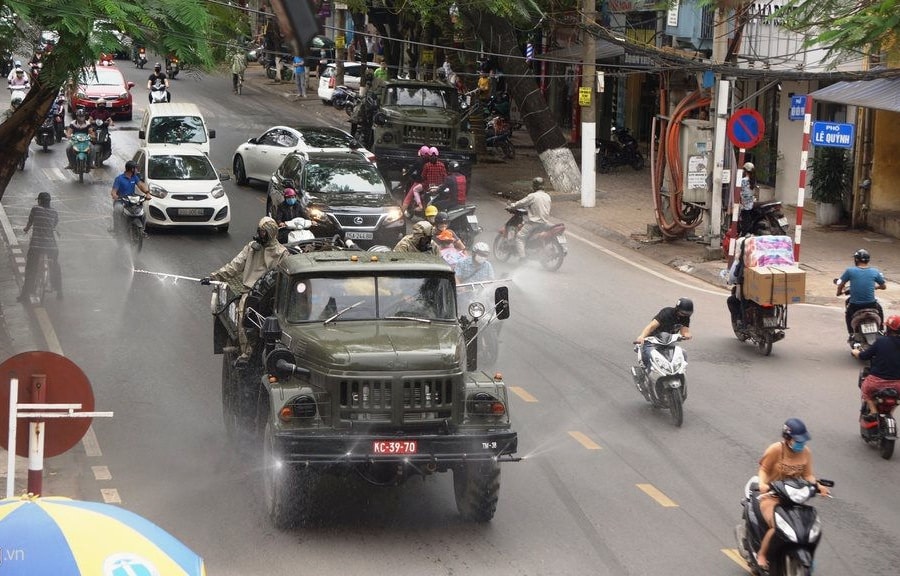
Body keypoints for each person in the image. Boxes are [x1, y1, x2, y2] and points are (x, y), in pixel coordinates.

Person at [205, 217, 287, 366]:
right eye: (259, 231)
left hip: (273, 296)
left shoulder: (282, 253)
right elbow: (234, 266)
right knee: (244, 316)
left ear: (270, 233)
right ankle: (247, 353)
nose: (259, 234)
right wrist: (213, 276)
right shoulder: (251, 248)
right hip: (251, 293)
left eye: (263, 232)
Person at [754, 418, 829, 570]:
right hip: (771, 496)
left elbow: (808, 475)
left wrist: (817, 485)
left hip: (793, 497)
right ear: (787, 438)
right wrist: (762, 484)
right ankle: (762, 554)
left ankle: (806, 553)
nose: (801, 444)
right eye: (798, 440)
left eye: (803, 440)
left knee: (808, 527)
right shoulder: (775, 450)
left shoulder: (806, 452)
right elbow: (763, 469)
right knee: (777, 527)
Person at [852, 315, 900, 421]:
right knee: (898, 399)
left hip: (877, 382)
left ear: (888, 328)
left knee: (866, 390)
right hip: (898, 385)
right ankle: (890, 413)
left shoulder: (881, 341)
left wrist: (856, 353)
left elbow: (864, 356)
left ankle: (873, 412)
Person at [18, 192, 61, 302]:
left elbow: (30, 222)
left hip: (36, 245)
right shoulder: (54, 212)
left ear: (40, 201)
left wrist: (26, 229)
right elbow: (54, 225)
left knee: (30, 269)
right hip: (51, 246)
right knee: (55, 266)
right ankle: (59, 291)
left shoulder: (35, 209)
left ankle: (25, 295)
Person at [836, 248, 886, 337]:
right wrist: (876, 287)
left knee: (848, 314)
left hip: (855, 305)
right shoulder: (875, 271)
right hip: (871, 304)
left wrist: (839, 292)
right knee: (880, 309)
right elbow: (883, 286)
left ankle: (851, 333)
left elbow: (841, 284)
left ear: (856, 259)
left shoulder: (850, 271)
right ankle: (881, 329)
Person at [633, 298, 693, 368]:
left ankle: (680, 372)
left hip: (669, 341)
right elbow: (651, 326)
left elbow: (684, 331)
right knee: (650, 355)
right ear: (677, 309)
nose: (685, 315)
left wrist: (687, 335)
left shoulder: (685, 318)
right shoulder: (666, 312)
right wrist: (641, 336)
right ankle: (647, 371)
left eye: (687, 314)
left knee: (683, 353)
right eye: (683, 313)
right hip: (653, 340)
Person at [508, 177, 552, 259]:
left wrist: (512, 206)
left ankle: (522, 258)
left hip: (534, 223)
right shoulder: (547, 196)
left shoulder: (532, 196)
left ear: (534, 186)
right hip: (544, 222)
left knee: (519, 237)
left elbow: (521, 203)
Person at [109, 160, 151, 232]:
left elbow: (140, 186)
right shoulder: (119, 179)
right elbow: (113, 191)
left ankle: (142, 230)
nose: (137, 170)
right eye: (136, 168)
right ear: (132, 169)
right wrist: (115, 195)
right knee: (118, 209)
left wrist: (147, 193)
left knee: (143, 212)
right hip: (121, 201)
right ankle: (116, 229)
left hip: (131, 201)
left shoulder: (134, 177)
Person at [738, 162, 757, 235]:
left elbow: (739, 192)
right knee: (748, 220)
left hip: (744, 204)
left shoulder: (743, 180)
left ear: (745, 171)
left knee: (744, 222)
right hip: (751, 203)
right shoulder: (753, 180)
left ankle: (744, 235)